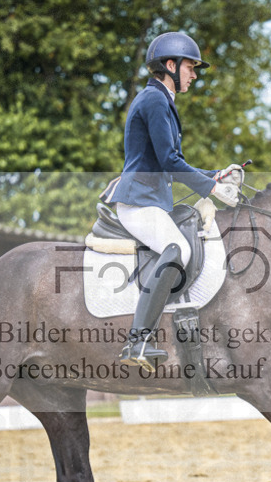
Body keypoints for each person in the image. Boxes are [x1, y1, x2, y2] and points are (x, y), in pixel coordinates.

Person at [100, 31, 243, 370]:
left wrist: (216, 175)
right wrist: (210, 188)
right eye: (191, 68)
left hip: (150, 198)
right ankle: (137, 342)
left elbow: (172, 160)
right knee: (179, 249)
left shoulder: (161, 100)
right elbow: (169, 161)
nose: (194, 75)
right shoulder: (154, 100)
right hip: (137, 200)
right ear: (170, 65)